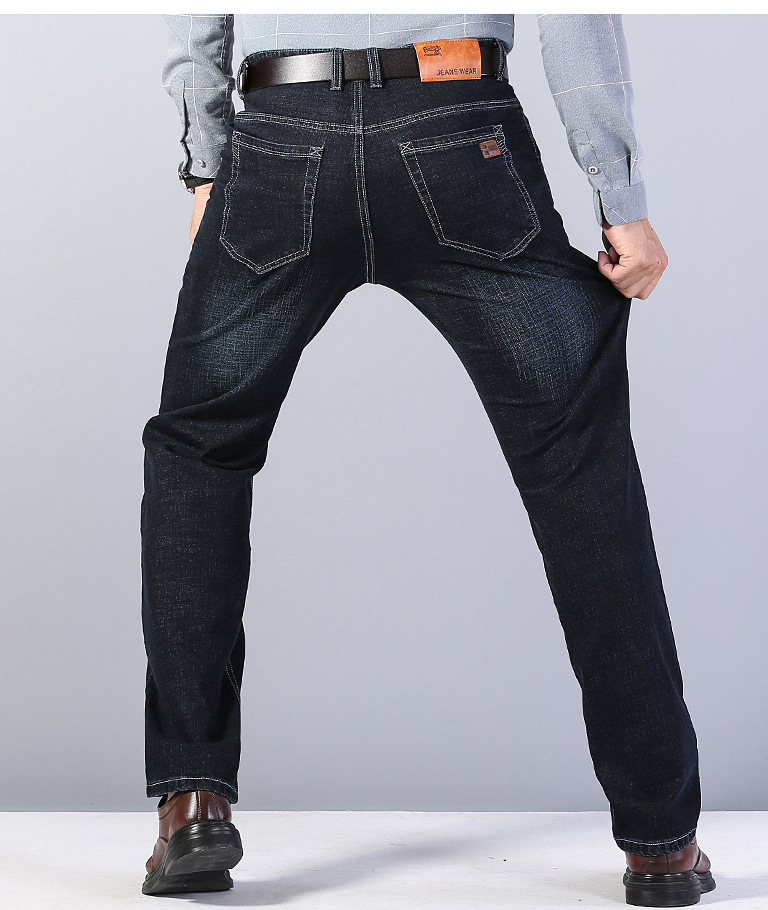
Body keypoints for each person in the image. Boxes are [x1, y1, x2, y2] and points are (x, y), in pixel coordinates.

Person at [141, 14, 715, 906]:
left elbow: (198, 21)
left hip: (282, 135)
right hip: (457, 127)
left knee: (199, 450)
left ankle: (193, 803)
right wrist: (622, 200)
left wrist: (208, 164)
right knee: (580, 464)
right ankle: (661, 842)